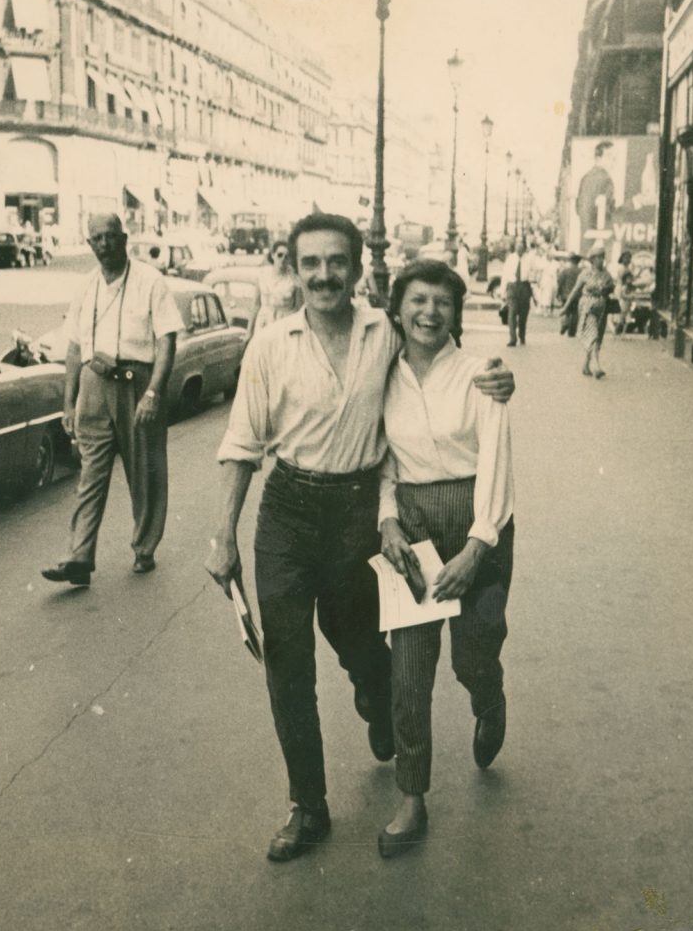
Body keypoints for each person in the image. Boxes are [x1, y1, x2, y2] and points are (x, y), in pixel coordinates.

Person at [204, 213, 515, 864]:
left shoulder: (385, 334)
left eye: (336, 262)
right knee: (288, 666)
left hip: (356, 516)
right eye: (310, 262)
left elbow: (441, 359)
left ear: (357, 270)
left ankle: (378, 704)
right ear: (292, 266)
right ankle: (307, 807)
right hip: (287, 512)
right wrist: (222, 535)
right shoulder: (269, 344)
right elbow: (241, 442)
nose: (324, 275)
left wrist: (499, 377)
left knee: (368, 652)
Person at [377, 259, 515, 858]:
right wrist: (386, 519)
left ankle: (489, 697)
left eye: (442, 302)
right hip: (411, 525)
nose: (429, 313)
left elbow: (496, 461)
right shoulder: (381, 375)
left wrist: (479, 545)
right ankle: (412, 797)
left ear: (457, 313)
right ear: (398, 307)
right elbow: (381, 458)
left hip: (477, 519)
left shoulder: (481, 375)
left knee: (472, 652)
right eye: (417, 300)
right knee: (408, 669)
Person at [41, 213, 182, 586]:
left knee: (145, 472)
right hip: (93, 383)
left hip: (136, 384)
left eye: (110, 237)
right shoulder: (86, 286)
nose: (104, 245)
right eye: (96, 239)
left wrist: (154, 392)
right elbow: (73, 347)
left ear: (124, 238)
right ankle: (79, 556)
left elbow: (167, 341)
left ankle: (144, 548)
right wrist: (69, 403)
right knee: (90, 474)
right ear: (89, 245)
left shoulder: (150, 281)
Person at [559, 245, 615, 378]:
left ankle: (586, 365)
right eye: (599, 257)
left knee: (597, 337)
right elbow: (574, 291)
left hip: (601, 309)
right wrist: (565, 308)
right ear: (593, 259)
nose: (602, 260)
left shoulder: (607, 275)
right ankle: (596, 366)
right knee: (593, 334)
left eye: (603, 257)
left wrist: (607, 289)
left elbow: (611, 289)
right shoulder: (585, 274)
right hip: (587, 308)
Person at [576, 141, 616, 258]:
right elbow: (609, 212)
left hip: (585, 243)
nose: (613, 161)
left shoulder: (585, 178)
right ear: (598, 158)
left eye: (615, 157)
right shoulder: (606, 180)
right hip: (600, 245)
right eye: (610, 157)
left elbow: (578, 208)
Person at [251, 239, 302, 332]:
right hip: (263, 324)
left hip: (285, 324)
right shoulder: (262, 274)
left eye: (286, 257)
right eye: (280, 255)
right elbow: (256, 306)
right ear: (273, 255)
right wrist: (248, 332)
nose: (283, 259)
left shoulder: (294, 279)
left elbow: (299, 309)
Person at [500, 236, 533, 346]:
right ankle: (512, 338)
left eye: (521, 246)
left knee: (523, 314)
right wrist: (502, 291)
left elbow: (535, 272)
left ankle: (522, 335)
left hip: (524, 287)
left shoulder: (529, 258)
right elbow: (505, 275)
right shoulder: (510, 258)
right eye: (517, 246)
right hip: (512, 287)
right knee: (512, 313)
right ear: (515, 247)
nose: (519, 248)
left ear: (524, 247)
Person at [557, 253, 582, 336]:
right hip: (577, 295)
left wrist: (558, 293)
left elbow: (560, 282)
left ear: (571, 261)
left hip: (565, 295)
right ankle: (572, 331)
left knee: (566, 311)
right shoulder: (581, 271)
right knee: (575, 312)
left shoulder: (565, 271)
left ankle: (565, 324)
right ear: (578, 262)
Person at [614, 250, 634, 335]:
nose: (628, 260)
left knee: (625, 309)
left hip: (625, 288)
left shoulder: (628, 268)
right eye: (626, 258)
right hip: (621, 287)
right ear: (622, 259)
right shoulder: (621, 268)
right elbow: (623, 278)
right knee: (622, 308)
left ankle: (620, 327)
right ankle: (618, 326)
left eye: (629, 258)